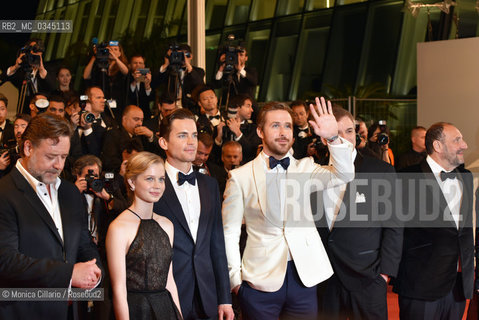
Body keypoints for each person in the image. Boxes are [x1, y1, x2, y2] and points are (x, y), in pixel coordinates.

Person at [222, 98, 355, 320]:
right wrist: (236, 281)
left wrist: (333, 137)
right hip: (258, 283)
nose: (283, 132)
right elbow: (230, 232)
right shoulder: (240, 177)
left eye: (288, 126)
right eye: (275, 125)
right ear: (260, 131)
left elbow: (344, 174)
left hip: (304, 278)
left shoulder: (306, 167)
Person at [0, 113, 102, 319]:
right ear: (28, 148)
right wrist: (69, 275)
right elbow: (5, 261)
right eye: (50, 156)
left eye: (63, 157)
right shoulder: (4, 193)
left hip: (70, 311)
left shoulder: (71, 193)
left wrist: (94, 274)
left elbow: (84, 244)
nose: (59, 165)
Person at [314, 106, 402, 320]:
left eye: (349, 131)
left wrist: (384, 274)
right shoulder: (311, 169)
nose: (344, 138)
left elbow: (394, 225)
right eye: (337, 132)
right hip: (324, 279)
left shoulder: (380, 170)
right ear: (325, 136)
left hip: (368, 278)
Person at [154, 109, 234, 320]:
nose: (191, 142)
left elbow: (217, 245)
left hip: (207, 297)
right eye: (182, 135)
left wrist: (224, 298)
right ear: (163, 142)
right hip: (166, 296)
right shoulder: (152, 184)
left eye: (194, 135)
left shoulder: (209, 185)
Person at [393, 122, 474, 319]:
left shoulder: (466, 177)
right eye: (457, 140)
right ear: (438, 146)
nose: (464, 145)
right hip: (419, 285)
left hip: (458, 286)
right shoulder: (404, 178)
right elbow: (393, 230)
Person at [106, 151, 182, 320]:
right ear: (132, 182)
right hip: (136, 311)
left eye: (161, 179)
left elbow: (169, 280)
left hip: (165, 309)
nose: (157, 185)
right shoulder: (118, 228)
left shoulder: (167, 225)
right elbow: (119, 290)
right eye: (149, 179)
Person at [83, 41, 129, 119]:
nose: (111, 51)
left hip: (117, 105)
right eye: (109, 49)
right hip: (100, 103)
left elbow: (126, 72)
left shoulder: (121, 67)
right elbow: (85, 76)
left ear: (120, 53)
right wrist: (95, 56)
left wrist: (115, 58)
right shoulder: (100, 66)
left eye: (115, 49)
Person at [6, 39, 51, 114]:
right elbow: (5, 77)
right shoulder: (22, 70)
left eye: (38, 49)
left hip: (43, 112)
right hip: (24, 112)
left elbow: (51, 87)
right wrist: (16, 66)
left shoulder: (48, 69)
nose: (35, 53)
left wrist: (41, 69)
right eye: (33, 49)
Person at [156, 44, 205, 111]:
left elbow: (199, 84)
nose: (182, 57)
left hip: (189, 107)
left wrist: (187, 64)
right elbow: (156, 81)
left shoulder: (198, 71)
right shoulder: (169, 71)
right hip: (171, 107)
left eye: (185, 55)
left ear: (191, 56)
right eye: (179, 55)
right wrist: (166, 64)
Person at [213, 46, 258, 111]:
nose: (238, 57)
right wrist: (221, 69)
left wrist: (240, 70)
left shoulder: (251, 70)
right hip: (233, 107)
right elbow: (217, 84)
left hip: (250, 106)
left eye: (241, 55)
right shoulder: (231, 72)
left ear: (246, 58)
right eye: (236, 55)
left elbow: (254, 82)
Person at [126, 54, 155, 119]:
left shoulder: (148, 77)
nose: (138, 65)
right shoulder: (126, 78)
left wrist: (147, 85)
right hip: (130, 115)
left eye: (140, 63)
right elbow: (128, 96)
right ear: (129, 65)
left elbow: (152, 99)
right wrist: (135, 82)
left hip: (145, 116)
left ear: (144, 66)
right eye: (135, 63)